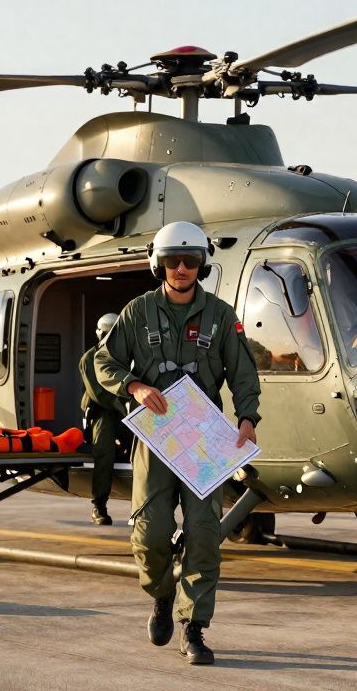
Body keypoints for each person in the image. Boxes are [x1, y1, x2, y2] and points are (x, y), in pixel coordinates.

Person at [95, 221, 261, 666]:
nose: (182, 268)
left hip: (205, 437)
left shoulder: (222, 317)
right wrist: (134, 387)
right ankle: (162, 595)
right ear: (160, 264)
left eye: (190, 260)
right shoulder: (137, 313)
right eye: (173, 260)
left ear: (202, 264)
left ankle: (194, 628)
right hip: (157, 436)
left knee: (205, 535)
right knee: (149, 535)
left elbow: (243, 373)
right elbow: (102, 361)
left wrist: (247, 417)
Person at [78, 312, 123, 525]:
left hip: (126, 410)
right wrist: (127, 407)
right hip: (103, 411)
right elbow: (99, 393)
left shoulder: (126, 357)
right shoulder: (89, 359)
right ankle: (99, 505)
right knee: (104, 452)